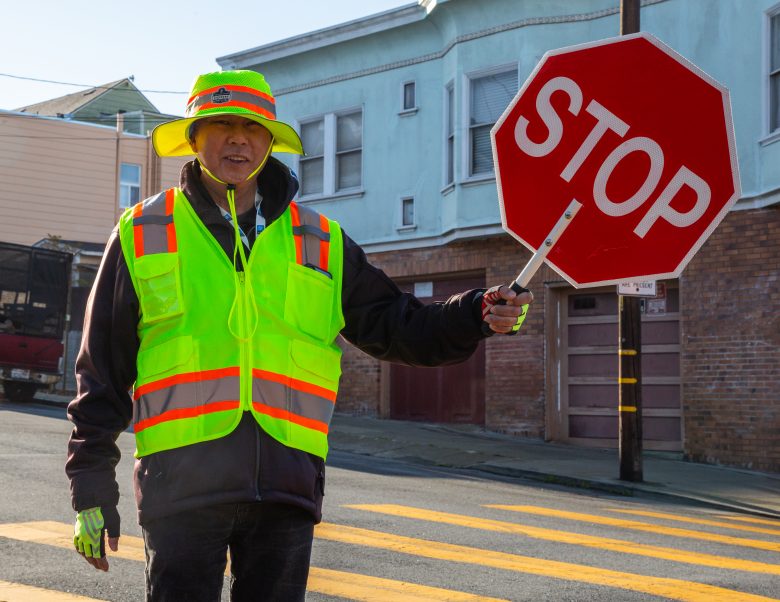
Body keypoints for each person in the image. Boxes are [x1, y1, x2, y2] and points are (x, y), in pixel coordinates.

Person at [66, 70, 532, 601]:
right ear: (195, 138)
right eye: (221, 124)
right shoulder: (142, 232)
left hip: (285, 489)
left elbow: (398, 325)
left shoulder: (321, 240)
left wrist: (474, 313)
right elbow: (100, 371)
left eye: (253, 127)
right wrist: (90, 488)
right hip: (181, 492)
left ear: (269, 143)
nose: (238, 138)